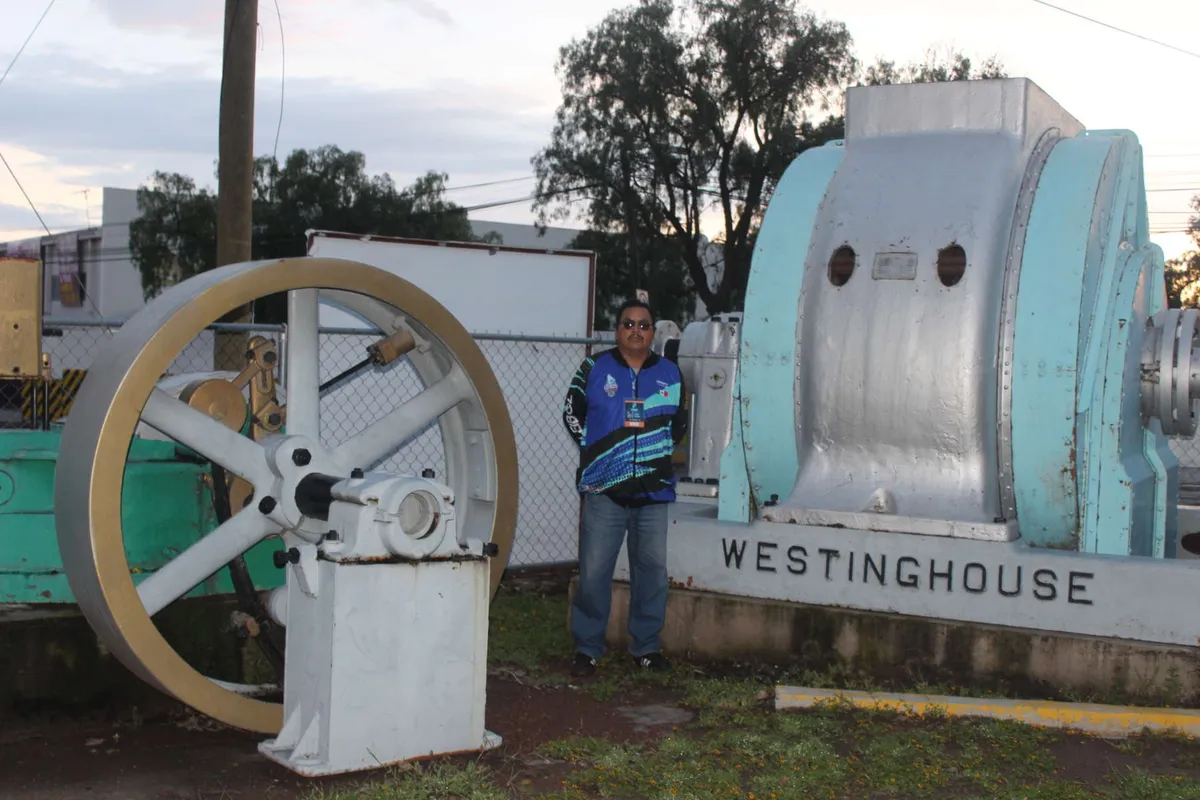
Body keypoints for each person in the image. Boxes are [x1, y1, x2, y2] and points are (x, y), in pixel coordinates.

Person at [561, 298, 688, 676]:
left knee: (651, 571)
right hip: (604, 491)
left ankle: (646, 648)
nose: (636, 330)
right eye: (628, 324)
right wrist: (595, 449)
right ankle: (587, 648)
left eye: (643, 325)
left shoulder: (670, 372)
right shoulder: (595, 367)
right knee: (595, 570)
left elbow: (679, 423)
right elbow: (571, 412)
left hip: (653, 491)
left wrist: (659, 453)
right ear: (617, 329)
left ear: (653, 332)